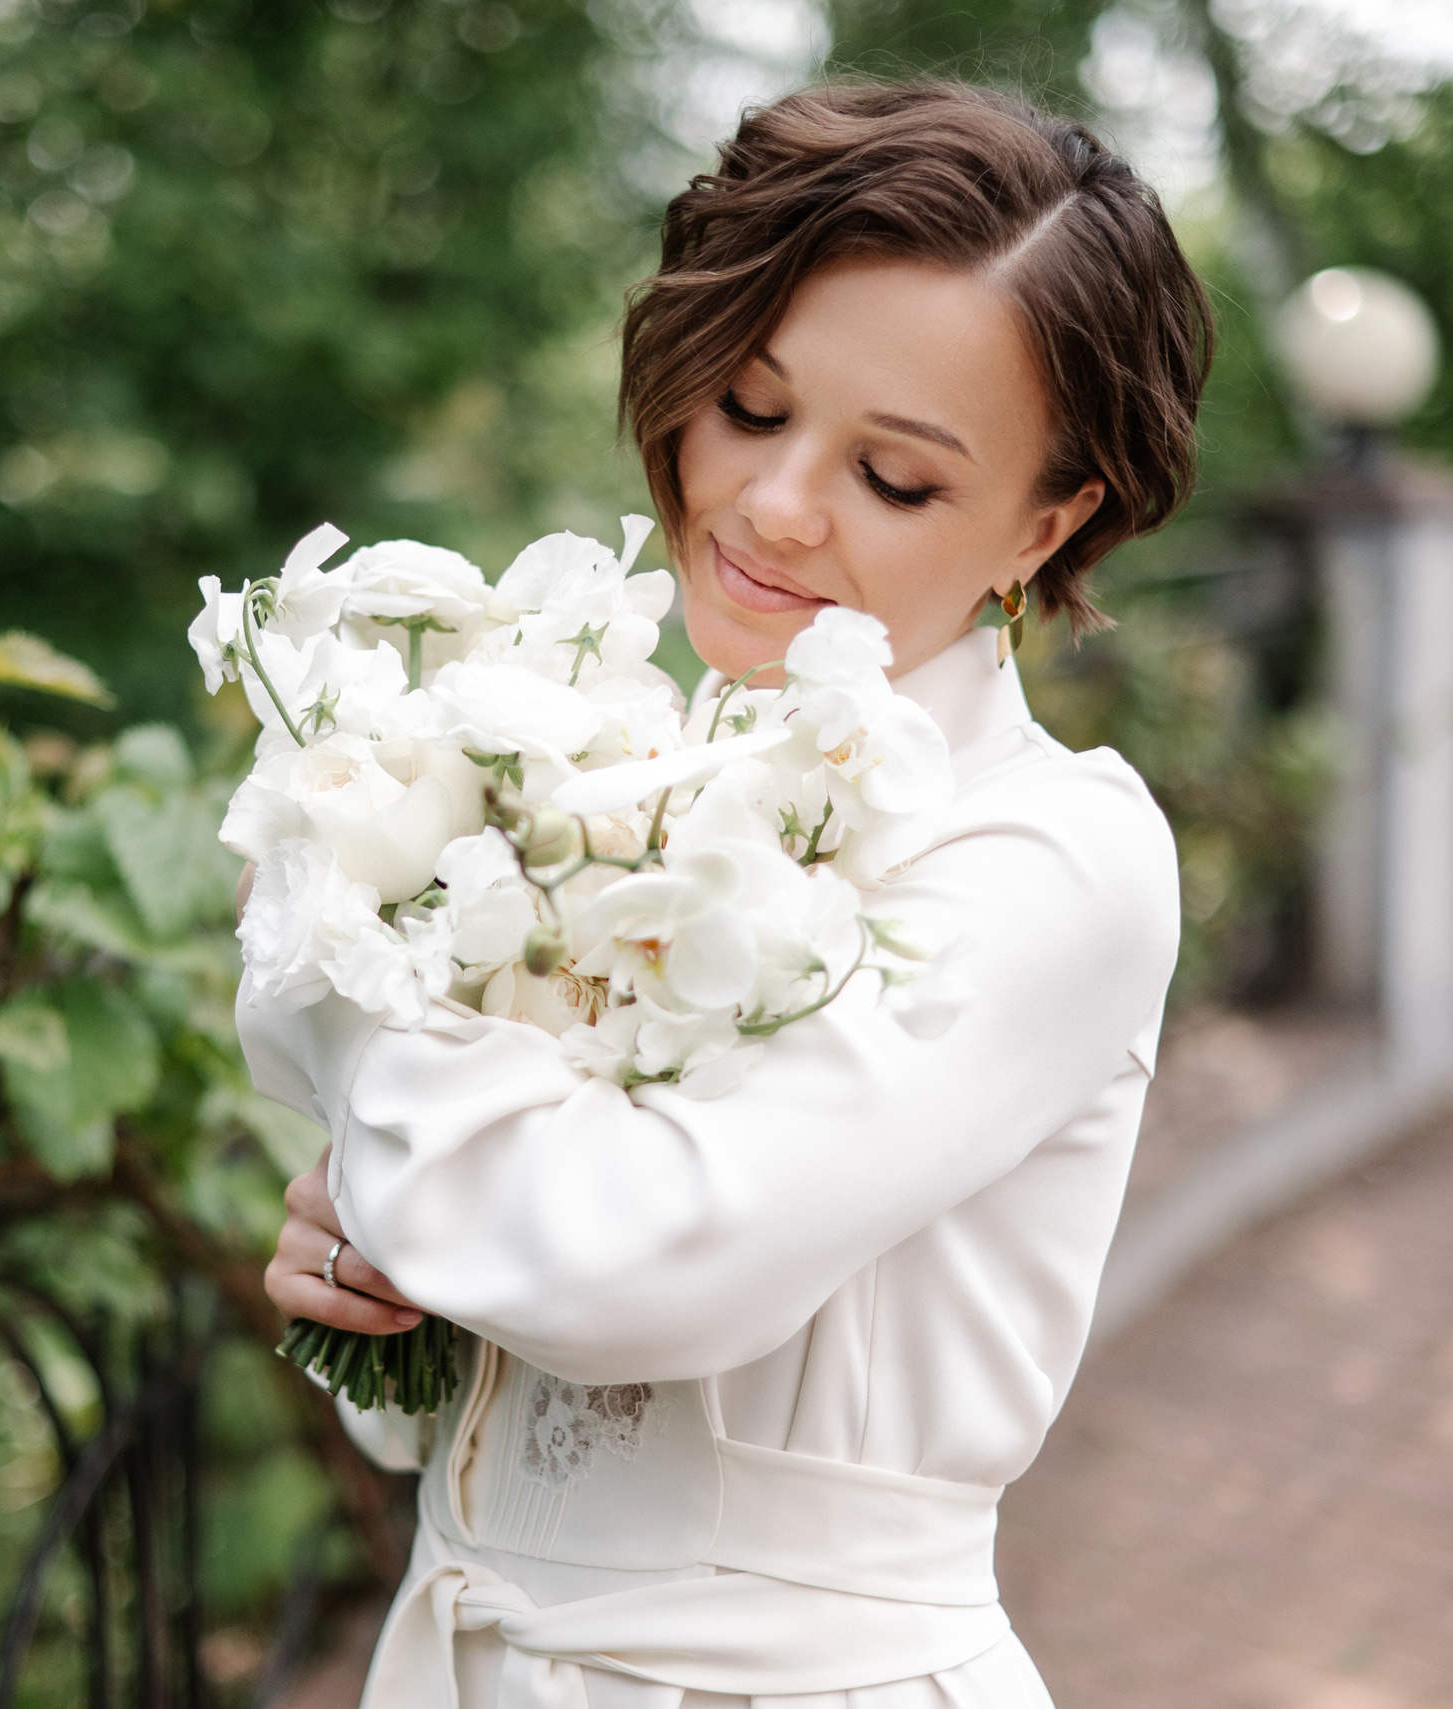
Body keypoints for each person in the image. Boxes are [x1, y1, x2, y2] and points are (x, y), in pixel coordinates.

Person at [244, 80, 1214, 1709]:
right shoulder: (624, 774)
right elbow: (507, 1347)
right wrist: (387, 1293)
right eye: (753, 408)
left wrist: (353, 917)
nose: (773, 503)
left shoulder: (1052, 857)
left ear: (1046, 523)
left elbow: (635, 1269)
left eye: (894, 478)